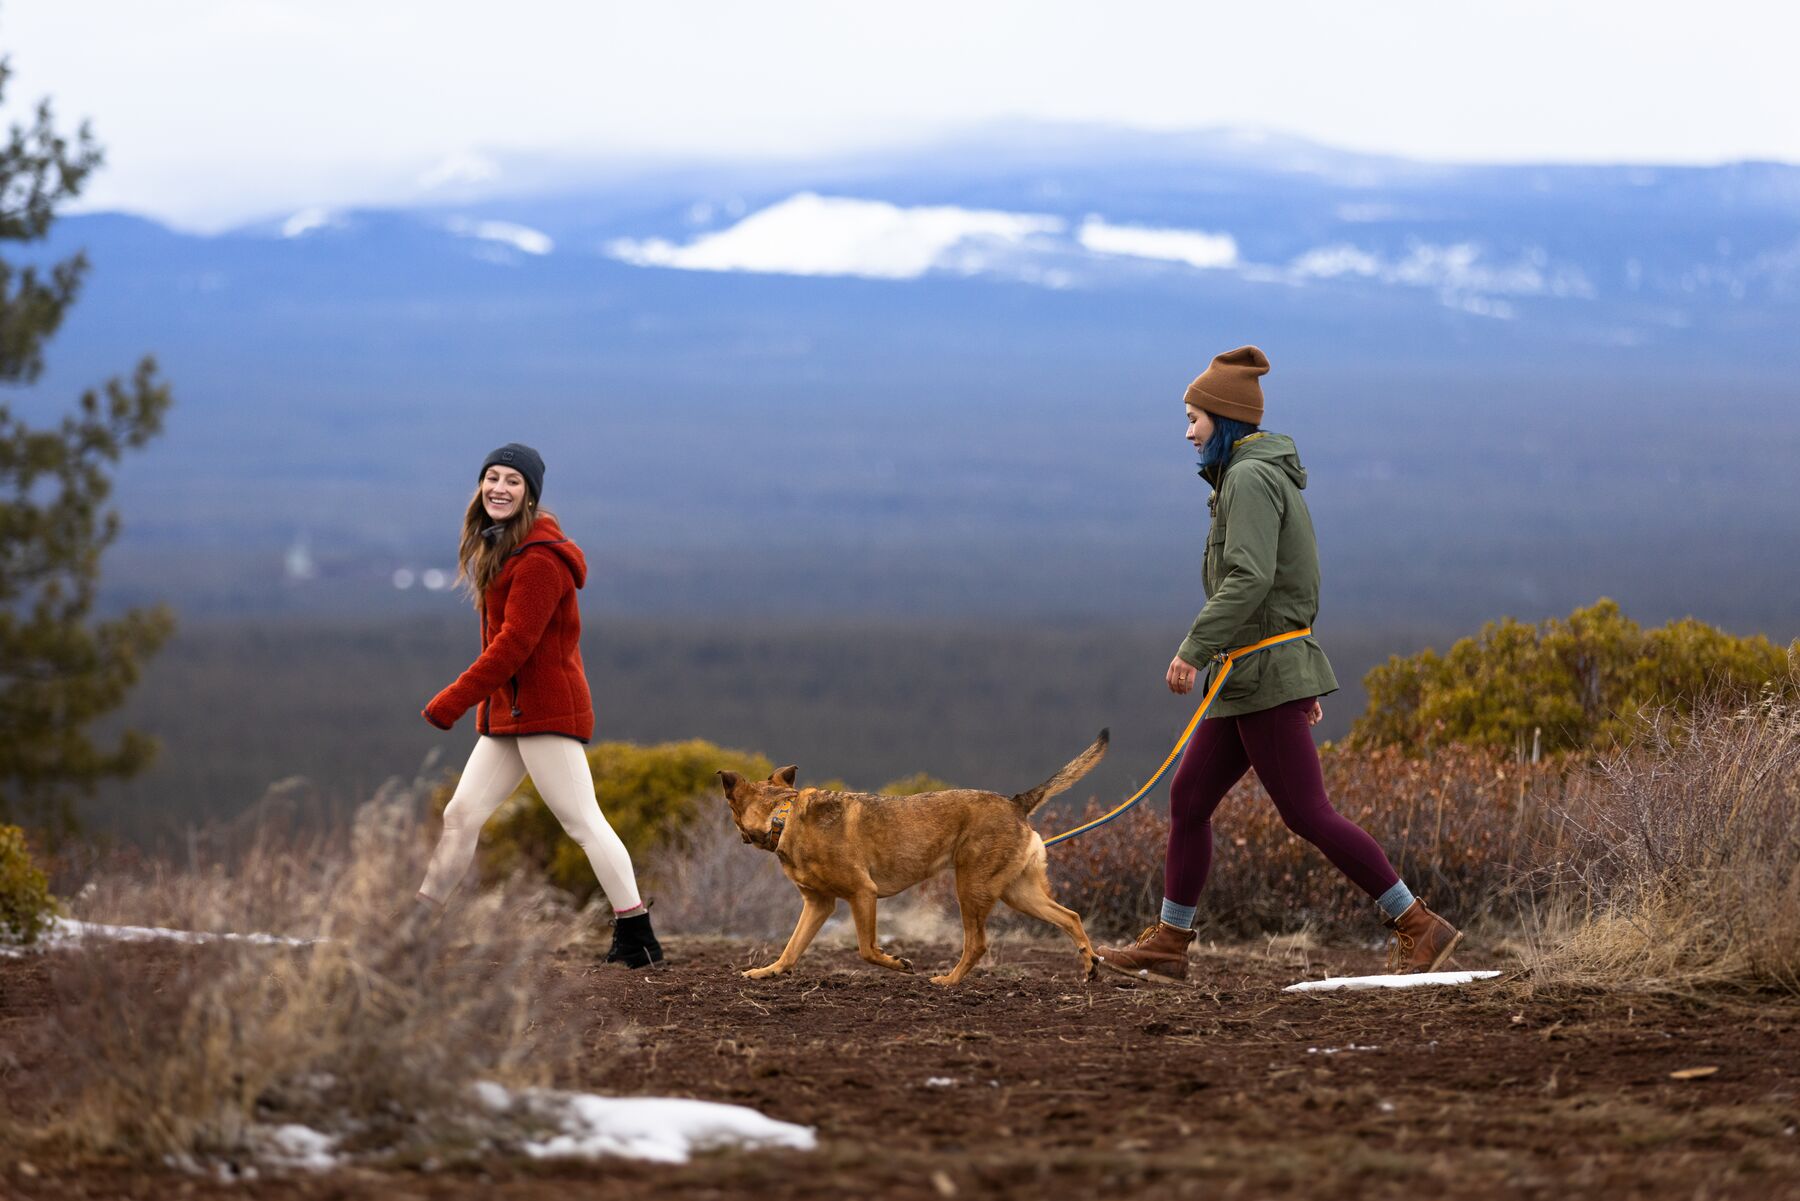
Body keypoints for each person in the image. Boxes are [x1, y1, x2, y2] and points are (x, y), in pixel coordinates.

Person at [1096, 348, 1459, 982]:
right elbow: (1296, 579)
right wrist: (1291, 661)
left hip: (1260, 674)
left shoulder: (1249, 479)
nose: (1187, 433)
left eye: (1194, 419)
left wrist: (1193, 649)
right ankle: (1171, 941)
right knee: (1189, 798)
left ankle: (1418, 923)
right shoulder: (1251, 474)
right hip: (1254, 673)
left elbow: (1252, 577)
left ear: (1225, 419)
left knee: (1306, 813)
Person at [415, 442, 663, 969]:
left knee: (582, 822)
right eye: (492, 477)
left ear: (529, 495)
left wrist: (453, 700)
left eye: (512, 481)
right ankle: (416, 927)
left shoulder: (540, 563)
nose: (499, 488)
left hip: (546, 712)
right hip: (511, 713)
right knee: (461, 815)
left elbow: (513, 645)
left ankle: (636, 934)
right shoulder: (501, 547)